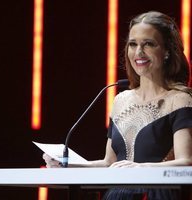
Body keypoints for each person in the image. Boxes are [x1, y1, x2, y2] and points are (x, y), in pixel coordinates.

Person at [43, 11, 192, 199]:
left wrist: (141, 168)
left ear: (167, 51)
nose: (138, 52)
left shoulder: (180, 100)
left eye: (148, 44)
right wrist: (67, 164)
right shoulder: (120, 100)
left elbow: (187, 162)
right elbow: (109, 163)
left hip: (156, 194)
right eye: (133, 44)